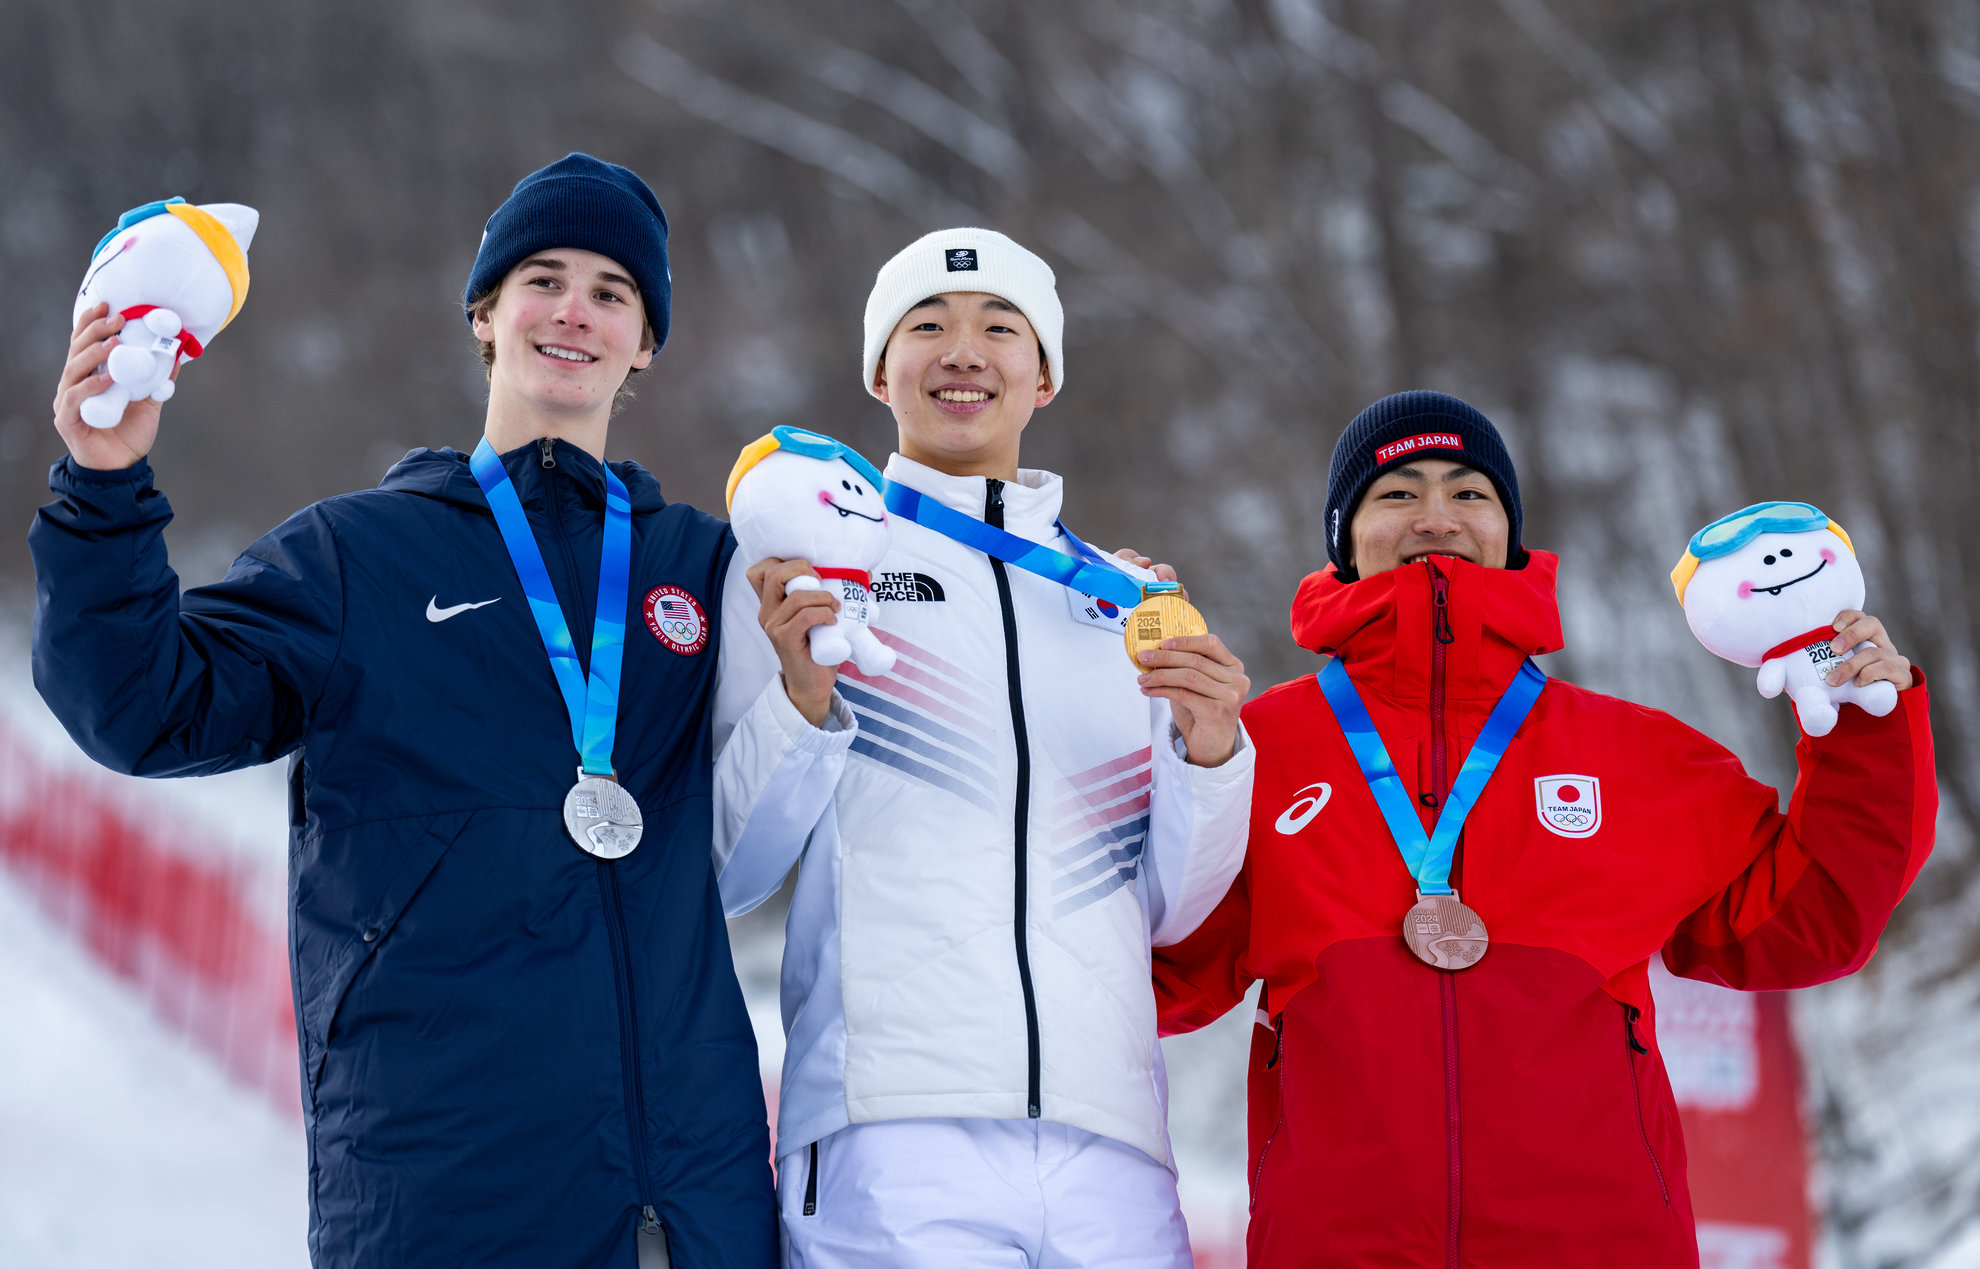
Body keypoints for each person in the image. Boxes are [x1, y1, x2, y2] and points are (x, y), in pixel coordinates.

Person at [33, 154, 776, 1268]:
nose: (575, 311)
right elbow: (141, 706)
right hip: (442, 1200)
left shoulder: (703, 572)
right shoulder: (358, 556)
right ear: (485, 313)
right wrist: (102, 492)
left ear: (646, 342)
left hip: (685, 1211)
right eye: (543, 279)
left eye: (613, 292)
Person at [1152, 390, 1936, 1267]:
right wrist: (1178, 772)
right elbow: (1165, 975)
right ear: (1345, 537)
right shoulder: (1258, 750)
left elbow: (1812, 921)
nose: (1437, 516)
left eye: (1469, 492)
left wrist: (1865, 732)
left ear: (1510, 530)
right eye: (1398, 493)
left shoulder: (1634, 755)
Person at [710, 228, 1255, 1267]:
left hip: (1112, 1143)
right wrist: (801, 701)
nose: (965, 351)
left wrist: (1212, 754)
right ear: (881, 369)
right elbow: (728, 869)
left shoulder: (1125, 602)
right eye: (929, 326)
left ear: (1043, 374)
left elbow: (1177, 910)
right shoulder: (808, 573)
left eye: (1000, 328)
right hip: (892, 1128)